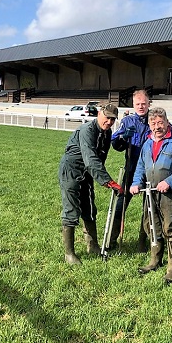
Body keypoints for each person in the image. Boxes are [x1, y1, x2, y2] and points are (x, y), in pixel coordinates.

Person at [130, 107, 172, 284]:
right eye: (153, 123)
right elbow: (141, 167)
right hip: (150, 193)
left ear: (166, 122)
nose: (157, 126)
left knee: (170, 228)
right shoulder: (148, 142)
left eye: (160, 122)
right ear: (149, 124)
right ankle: (154, 261)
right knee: (152, 226)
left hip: (171, 194)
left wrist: (170, 182)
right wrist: (136, 183)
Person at [58, 103, 124, 265]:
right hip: (71, 171)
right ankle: (69, 254)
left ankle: (92, 245)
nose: (109, 122)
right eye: (107, 117)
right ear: (100, 114)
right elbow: (90, 159)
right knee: (71, 209)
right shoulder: (87, 130)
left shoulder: (107, 134)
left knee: (89, 207)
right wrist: (108, 181)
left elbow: (100, 158)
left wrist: (99, 177)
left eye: (113, 119)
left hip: (87, 173)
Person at [110, 89, 151, 251]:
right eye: (137, 104)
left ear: (149, 103)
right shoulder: (128, 121)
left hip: (150, 170)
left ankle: (143, 240)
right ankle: (112, 239)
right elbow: (115, 144)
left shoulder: (154, 119)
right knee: (120, 205)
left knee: (148, 207)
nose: (141, 106)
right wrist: (122, 139)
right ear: (133, 105)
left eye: (144, 103)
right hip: (131, 169)